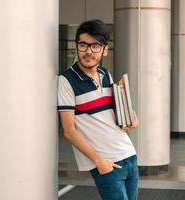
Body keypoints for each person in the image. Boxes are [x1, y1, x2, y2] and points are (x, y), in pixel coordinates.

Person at [57, 19, 139, 200]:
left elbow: (112, 114)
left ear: (104, 49)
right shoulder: (66, 80)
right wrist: (98, 161)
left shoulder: (105, 74)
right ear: (76, 46)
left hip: (129, 154)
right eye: (83, 45)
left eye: (95, 46)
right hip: (107, 163)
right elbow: (69, 131)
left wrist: (129, 119)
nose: (88, 51)